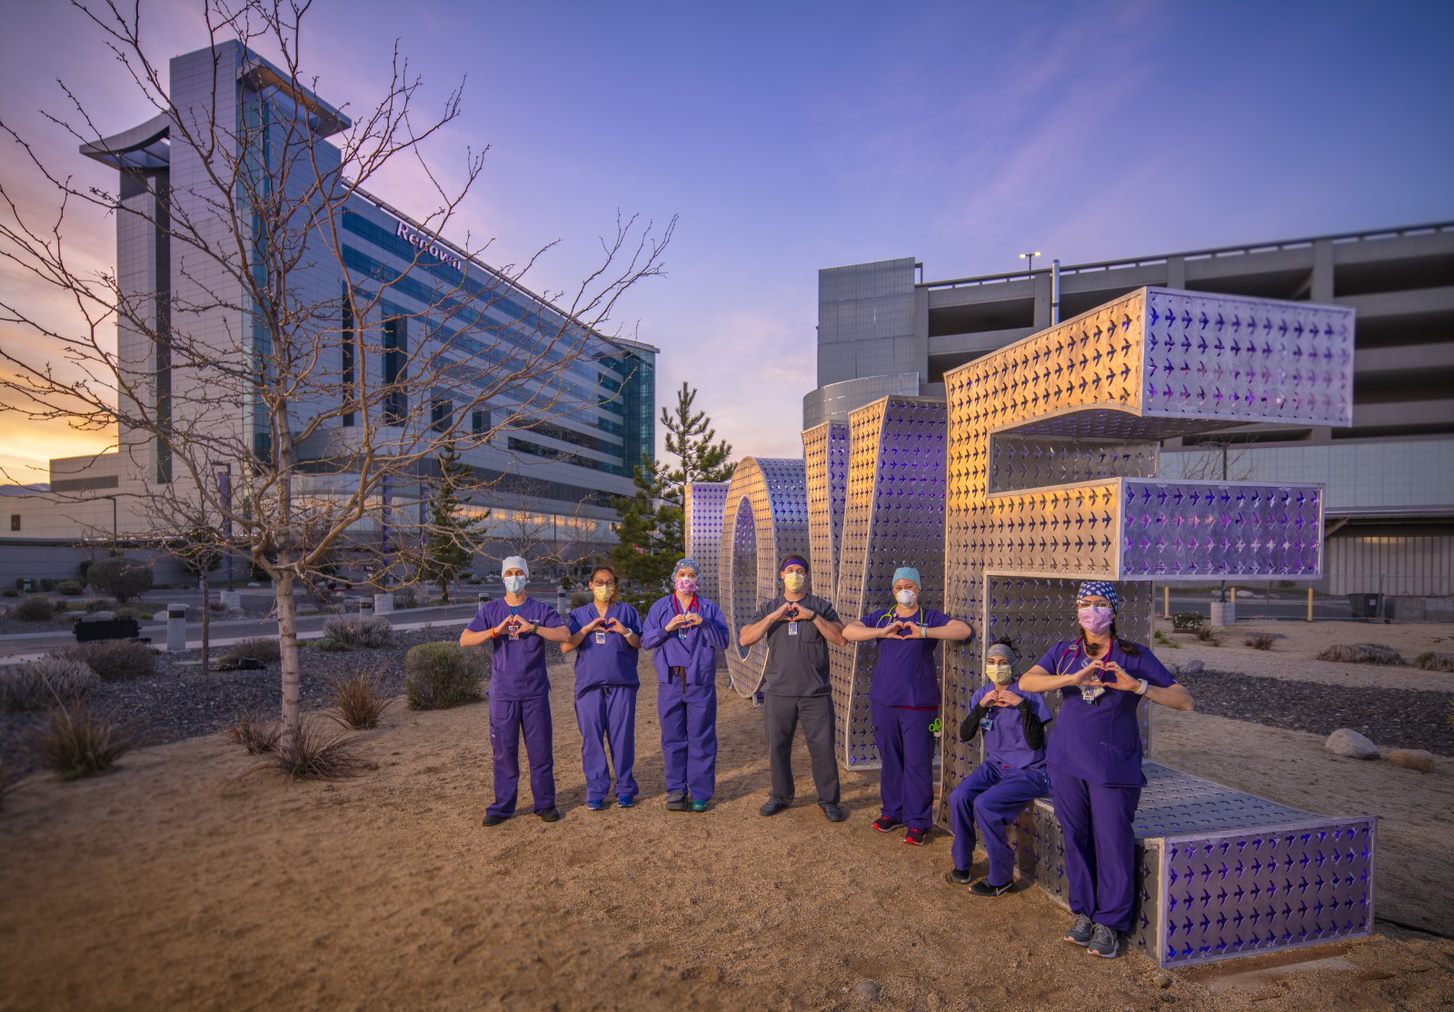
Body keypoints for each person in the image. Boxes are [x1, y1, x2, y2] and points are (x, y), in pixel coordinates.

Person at [1017, 581, 1194, 959]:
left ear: (1113, 612)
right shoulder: (1064, 653)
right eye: (1085, 603)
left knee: (1112, 841)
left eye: (1100, 603)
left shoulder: (1133, 654)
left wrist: (1139, 686)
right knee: (1077, 836)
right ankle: (1084, 912)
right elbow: (1027, 681)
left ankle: (1111, 923)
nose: (1091, 610)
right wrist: (1069, 679)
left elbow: (1184, 701)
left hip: (1112, 765)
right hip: (1066, 762)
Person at [841, 566, 970, 846]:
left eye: (909, 587)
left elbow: (962, 630)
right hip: (884, 700)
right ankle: (892, 812)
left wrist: (923, 632)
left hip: (919, 704)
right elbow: (850, 631)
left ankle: (917, 821)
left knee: (917, 762)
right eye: (899, 587)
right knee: (890, 759)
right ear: (893, 591)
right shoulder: (883, 618)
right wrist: (883, 631)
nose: (904, 592)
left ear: (918, 590)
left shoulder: (928, 617)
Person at [459, 555, 572, 826]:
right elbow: (465, 639)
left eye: (518, 572)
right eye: (509, 573)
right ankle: (502, 806)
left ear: (527, 576)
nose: (514, 578)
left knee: (540, 751)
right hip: (503, 694)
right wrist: (493, 632)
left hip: (534, 692)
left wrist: (532, 627)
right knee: (503, 752)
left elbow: (565, 634)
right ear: (502, 578)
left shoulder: (540, 609)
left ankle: (545, 803)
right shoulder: (491, 610)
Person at [737, 555, 848, 821]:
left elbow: (841, 638)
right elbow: (746, 638)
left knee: (822, 747)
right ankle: (780, 796)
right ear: (781, 575)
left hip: (815, 692)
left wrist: (812, 617)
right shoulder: (769, 607)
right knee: (778, 746)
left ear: (807, 576)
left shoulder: (820, 606)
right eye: (790, 570)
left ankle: (829, 800)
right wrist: (775, 616)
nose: (794, 575)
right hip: (778, 691)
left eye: (799, 570)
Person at [946, 642, 1053, 894]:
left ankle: (1001, 877)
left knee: (985, 804)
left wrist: (1021, 706)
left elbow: (1036, 742)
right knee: (959, 797)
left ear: (1013, 666)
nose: (997, 667)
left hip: (1031, 770)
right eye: (992, 662)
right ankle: (962, 862)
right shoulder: (982, 694)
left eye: (1003, 662)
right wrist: (981, 707)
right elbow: (964, 734)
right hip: (996, 765)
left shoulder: (1028, 693)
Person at [641, 558, 730, 812]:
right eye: (682, 573)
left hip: (700, 682)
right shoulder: (660, 608)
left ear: (697, 580)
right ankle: (676, 791)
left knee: (701, 738)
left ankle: (700, 792)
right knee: (672, 738)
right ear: (674, 577)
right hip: (670, 682)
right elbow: (646, 641)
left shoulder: (709, 608)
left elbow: (722, 641)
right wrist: (667, 628)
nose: (687, 578)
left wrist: (704, 623)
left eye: (691, 574)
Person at [561, 564, 643, 811]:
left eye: (608, 582)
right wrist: (586, 629)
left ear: (615, 585)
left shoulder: (626, 612)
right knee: (592, 740)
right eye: (599, 582)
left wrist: (624, 630)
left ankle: (625, 788)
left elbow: (639, 642)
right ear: (590, 584)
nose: (604, 587)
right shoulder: (579, 615)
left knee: (622, 739)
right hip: (589, 687)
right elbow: (566, 646)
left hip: (621, 685)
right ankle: (596, 790)